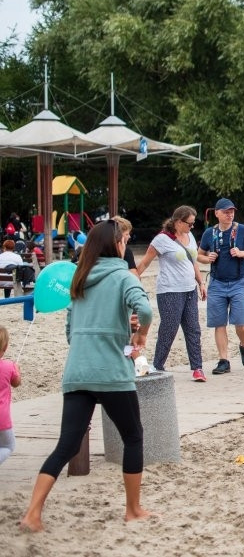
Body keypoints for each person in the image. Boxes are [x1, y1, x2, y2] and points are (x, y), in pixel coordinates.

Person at [20, 220, 154, 532]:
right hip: (111, 374)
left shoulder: (79, 279)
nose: (125, 244)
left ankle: (33, 513)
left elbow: (70, 332)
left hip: (77, 371)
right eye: (123, 240)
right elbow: (145, 310)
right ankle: (133, 509)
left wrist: (114, 329)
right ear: (116, 244)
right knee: (133, 437)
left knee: (65, 445)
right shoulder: (122, 275)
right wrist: (139, 336)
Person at [136, 206, 207, 381]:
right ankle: (158, 364)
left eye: (193, 224)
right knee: (169, 328)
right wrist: (132, 279)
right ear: (178, 221)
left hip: (189, 289)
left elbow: (194, 262)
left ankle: (197, 368)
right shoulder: (161, 240)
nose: (192, 227)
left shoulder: (189, 236)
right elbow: (145, 262)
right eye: (189, 224)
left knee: (193, 329)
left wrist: (201, 282)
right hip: (169, 290)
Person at [198, 198, 244, 375]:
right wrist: (208, 258)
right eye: (225, 211)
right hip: (217, 283)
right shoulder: (209, 233)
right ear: (217, 213)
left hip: (239, 281)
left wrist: (242, 253)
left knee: (241, 323)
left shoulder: (242, 230)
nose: (229, 214)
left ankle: (243, 345)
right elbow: (199, 256)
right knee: (219, 323)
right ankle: (223, 360)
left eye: (232, 211)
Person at [0, 325, 21, 466]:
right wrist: (17, 370)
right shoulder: (8, 366)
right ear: (5, 347)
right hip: (2, 418)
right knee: (8, 446)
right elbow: (16, 383)